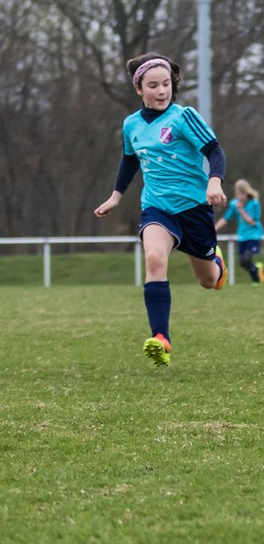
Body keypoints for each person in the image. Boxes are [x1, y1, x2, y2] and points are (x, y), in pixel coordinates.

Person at [94, 52, 228, 366]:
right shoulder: (131, 125)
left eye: (166, 84)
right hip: (156, 208)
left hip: (194, 208)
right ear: (139, 89)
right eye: (153, 85)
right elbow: (130, 160)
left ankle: (217, 265)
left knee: (207, 280)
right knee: (154, 259)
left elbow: (214, 150)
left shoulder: (184, 116)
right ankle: (161, 338)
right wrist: (116, 196)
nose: (161, 91)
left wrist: (215, 182)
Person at [215, 179, 264, 284]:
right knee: (242, 262)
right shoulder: (234, 204)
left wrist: (241, 210)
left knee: (247, 259)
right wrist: (214, 229)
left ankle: (256, 280)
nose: (240, 197)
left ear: (247, 192)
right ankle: (257, 271)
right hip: (242, 235)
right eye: (238, 194)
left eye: (242, 194)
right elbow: (226, 218)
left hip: (254, 235)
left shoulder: (255, 203)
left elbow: (252, 222)